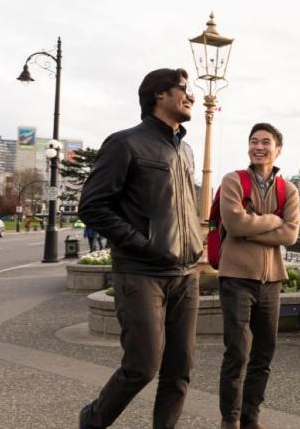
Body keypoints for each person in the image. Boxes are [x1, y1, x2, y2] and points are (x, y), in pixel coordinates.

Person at [77, 68, 203, 429]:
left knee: (180, 370)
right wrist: (143, 244)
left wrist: (193, 246)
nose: (190, 96)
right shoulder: (125, 143)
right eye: (183, 89)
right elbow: (93, 206)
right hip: (141, 272)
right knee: (142, 367)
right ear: (159, 95)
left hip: (185, 274)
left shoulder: (187, 150)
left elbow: (183, 208)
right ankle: (92, 420)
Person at [217, 123, 300, 429]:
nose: (259, 146)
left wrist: (250, 230)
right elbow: (234, 225)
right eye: (254, 141)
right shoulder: (233, 181)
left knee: (264, 354)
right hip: (236, 276)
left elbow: (290, 234)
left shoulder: (288, 189)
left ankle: (251, 417)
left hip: (272, 280)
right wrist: (270, 222)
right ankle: (231, 419)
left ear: (278, 149)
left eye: (266, 142)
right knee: (237, 352)